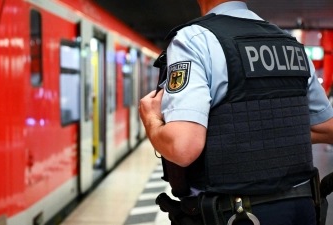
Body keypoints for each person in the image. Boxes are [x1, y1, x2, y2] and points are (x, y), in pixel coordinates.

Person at [139, 0, 333, 224]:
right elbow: (327, 129)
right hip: (303, 210)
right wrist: (265, 136)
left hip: (237, 214)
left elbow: (183, 147)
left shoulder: (194, 40)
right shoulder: (291, 45)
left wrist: (151, 119)